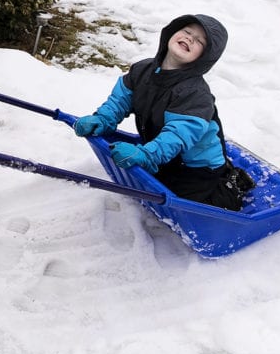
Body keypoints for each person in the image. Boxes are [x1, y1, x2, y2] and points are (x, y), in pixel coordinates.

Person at [74, 14, 254, 210]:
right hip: (166, 156)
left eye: (200, 41)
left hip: (197, 168)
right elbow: (119, 101)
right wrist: (102, 119)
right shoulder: (142, 70)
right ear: (172, 32)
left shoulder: (195, 94)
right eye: (187, 31)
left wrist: (148, 155)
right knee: (154, 183)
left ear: (204, 57)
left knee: (185, 204)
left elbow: (176, 136)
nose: (190, 38)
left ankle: (233, 185)